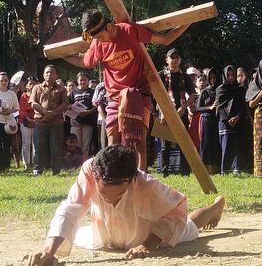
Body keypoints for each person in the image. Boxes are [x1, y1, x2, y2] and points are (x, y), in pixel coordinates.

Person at [27, 144, 225, 266]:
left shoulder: (145, 183)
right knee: (75, 234)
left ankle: (215, 207)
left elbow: (176, 210)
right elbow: (71, 208)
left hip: (147, 234)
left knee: (189, 226)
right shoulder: (89, 171)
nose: (110, 201)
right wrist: (48, 251)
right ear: (96, 177)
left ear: (131, 181)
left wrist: (146, 245)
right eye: (104, 194)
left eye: (119, 194)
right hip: (105, 234)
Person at [80, 9, 190, 170]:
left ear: (109, 26)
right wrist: (61, 55)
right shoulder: (97, 44)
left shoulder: (129, 30)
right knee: (112, 144)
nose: (99, 41)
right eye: (95, 39)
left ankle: (140, 182)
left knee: (138, 143)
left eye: (101, 37)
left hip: (138, 95)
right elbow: (85, 62)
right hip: (114, 100)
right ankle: (115, 180)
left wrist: (188, 20)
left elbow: (165, 39)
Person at [158, 48, 196, 175]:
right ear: (167, 60)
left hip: (181, 113)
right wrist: (162, 112)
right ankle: (164, 172)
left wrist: (184, 107)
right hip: (165, 112)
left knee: (184, 143)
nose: (174, 60)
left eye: (176, 57)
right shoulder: (161, 75)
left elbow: (192, 95)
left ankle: (185, 172)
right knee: (165, 145)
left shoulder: (185, 76)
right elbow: (156, 95)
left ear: (180, 60)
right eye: (171, 57)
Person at [29, 65, 69, 175]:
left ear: (56, 75)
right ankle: (38, 170)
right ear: (43, 75)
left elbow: (65, 104)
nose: (49, 74)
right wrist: (45, 112)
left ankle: (55, 170)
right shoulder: (37, 88)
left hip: (56, 122)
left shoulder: (62, 89)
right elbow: (33, 103)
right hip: (40, 121)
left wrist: (53, 113)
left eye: (52, 72)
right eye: (47, 72)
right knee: (39, 146)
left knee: (56, 146)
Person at [216, 65, 247, 174]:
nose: (230, 77)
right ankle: (225, 170)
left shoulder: (240, 89)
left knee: (237, 146)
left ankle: (236, 168)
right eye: (228, 75)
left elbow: (243, 105)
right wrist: (229, 118)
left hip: (238, 121)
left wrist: (237, 117)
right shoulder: (220, 89)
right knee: (226, 146)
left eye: (232, 75)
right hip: (225, 122)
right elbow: (220, 107)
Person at [0, 72, 19, 172]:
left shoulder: (12, 94)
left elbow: (16, 108)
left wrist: (9, 111)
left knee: (7, 145)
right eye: (1, 80)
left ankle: (6, 166)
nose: (4, 82)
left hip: (8, 122)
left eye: (6, 80)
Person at [196, 68, 221, 173]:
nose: (213, 80)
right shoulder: (204, 91)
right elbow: (198, 108)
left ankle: (217, 168)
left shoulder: (220, 90)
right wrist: (210, 107)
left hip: (217, 121)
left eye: (215, 78)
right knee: (206, 145)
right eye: (210, 78)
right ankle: (205, 169)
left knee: (216, 144)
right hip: (207, 120)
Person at [69, 72, 97, 157]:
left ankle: (84, 163)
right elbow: (69, 104)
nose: (82, 82)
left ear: (88, 81)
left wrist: (89, 111)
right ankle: (76, 163)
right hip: (76, 121)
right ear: (77, 80)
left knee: (86, 144)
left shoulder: (93, 92)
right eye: (80, 80)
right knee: (76, 144)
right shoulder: (73, 92)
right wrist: (69, 107)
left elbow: (96, 106)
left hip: (88, 121)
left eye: (85, 80)